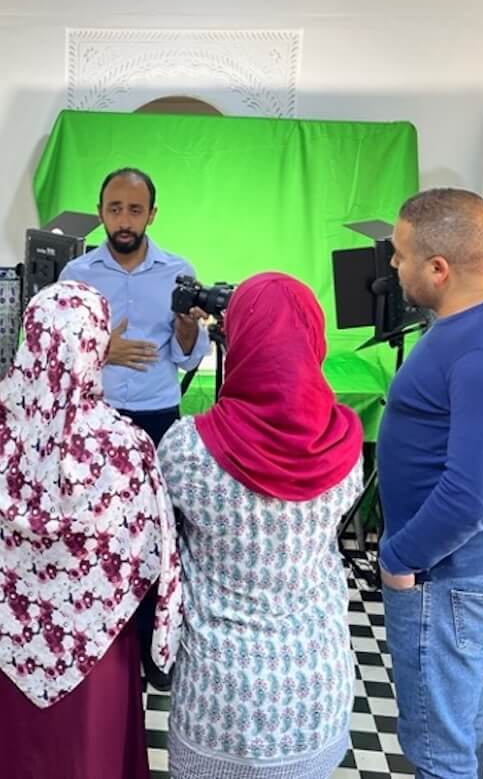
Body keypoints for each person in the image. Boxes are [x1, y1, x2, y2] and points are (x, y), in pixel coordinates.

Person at [0, 281, 183, 779]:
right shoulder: (125, 448)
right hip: (95, 650)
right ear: (95, 348)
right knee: (87, 757)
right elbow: (151, 552)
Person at [156, 272, 364, 779]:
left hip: (221, 694)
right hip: (315, 686)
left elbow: (158, 544)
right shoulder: (346, 447)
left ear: (240, 338)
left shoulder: (188, 450)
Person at [376, 188, 483, 779]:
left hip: (449, 573)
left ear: (438, 268)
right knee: (458, 720)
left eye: (400, 256)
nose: (393, 266)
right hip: (464, 567)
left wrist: (401, 557)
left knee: (438, 745)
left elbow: (471, 493)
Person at [59, 166, 207, 689]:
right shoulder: (75, 275)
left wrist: (189, 332)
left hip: (155, 420)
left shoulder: (178, 271)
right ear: (101, 213)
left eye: (135, 210)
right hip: (93, 421)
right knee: (93, 533)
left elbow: (190, 357)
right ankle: (94, 647)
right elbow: (56, 354)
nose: (124, 221)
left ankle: (153, 649)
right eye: (115, 209)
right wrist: (104, 349)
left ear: (152, 214)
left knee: (153, 534)